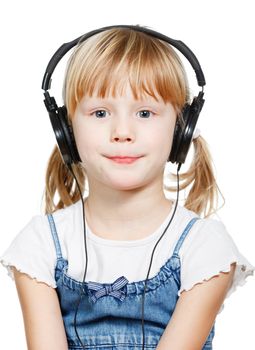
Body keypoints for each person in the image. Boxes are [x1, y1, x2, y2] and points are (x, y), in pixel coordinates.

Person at [0, 25, 254, 350]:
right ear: (66, 130)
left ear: (181, 130)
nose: (122, 131)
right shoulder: (41, 244)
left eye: (145, 112)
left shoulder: (204, 248)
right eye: (100, 112)